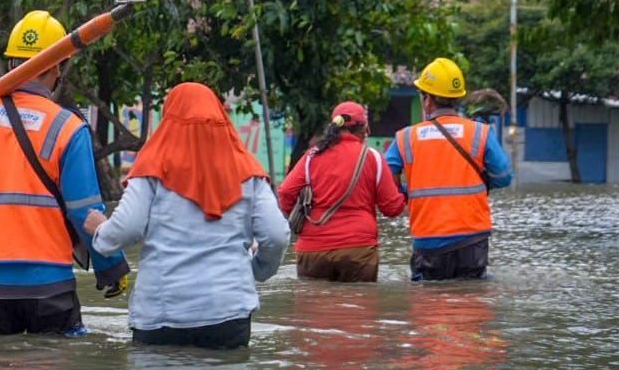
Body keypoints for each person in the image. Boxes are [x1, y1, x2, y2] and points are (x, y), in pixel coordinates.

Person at [0, 10, 130, 336]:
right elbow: (86, 214)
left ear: (12, 61)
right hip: (47, 283)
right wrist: (111, 266)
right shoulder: (68, 127)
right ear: (58, 66)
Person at [85, 82, 289, 349]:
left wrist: (100, 232)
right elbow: (277, 235)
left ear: (169, 119)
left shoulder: (151, 167)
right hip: (228, 312)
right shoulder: (248, 171)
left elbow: (126, 230)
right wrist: (258, 269)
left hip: (162, 314)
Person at [385, 58, 513, 281]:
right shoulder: (480, 133)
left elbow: (386, 180)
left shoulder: (406, 137)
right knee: (471, 304)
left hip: (429, 240)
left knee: (428, 308)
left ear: (427, 100)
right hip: (472, 239)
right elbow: (503, 177)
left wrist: (408, 191)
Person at [277, 101, 405, 282]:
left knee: (314, 307)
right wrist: (406, 193)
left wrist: (297, 218)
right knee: (357, 306)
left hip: (313, 251)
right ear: (364, 129)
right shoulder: (373, 158)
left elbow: (285, 192)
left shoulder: (312, 156)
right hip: (358, 250)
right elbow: (392, 208)